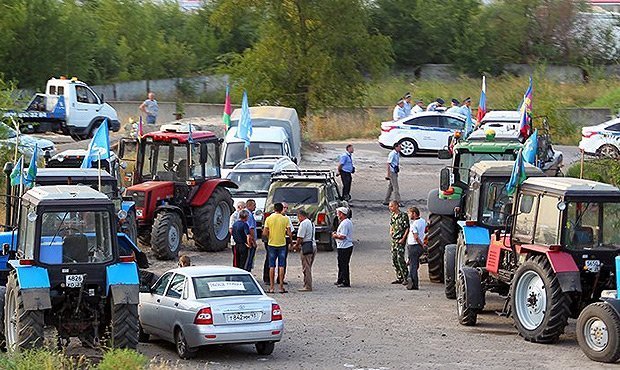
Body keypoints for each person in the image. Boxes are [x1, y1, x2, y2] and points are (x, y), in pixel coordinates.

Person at [263, 202, 292, 293]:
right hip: (282, 244)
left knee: (271, 266)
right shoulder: (285, 219)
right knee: (281, 265)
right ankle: (281, 287)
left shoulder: (269, 218)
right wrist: (290, 240)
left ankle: (271, 287)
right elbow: (289, 233)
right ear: (281, 209)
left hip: (271, 244)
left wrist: (269, 237)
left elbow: (264, 232)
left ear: (274, 209)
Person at [294, 209, 316, 292]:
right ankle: (307, 283)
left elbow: (300, 237)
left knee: (306, 267)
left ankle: (308, 286)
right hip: (313, 245)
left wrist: (296, 245)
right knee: (309, 266)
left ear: (300, 216)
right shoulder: (311, 223)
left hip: (306, 246)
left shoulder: (303, 224)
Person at [406, 207, 426, 290]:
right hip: (418, 248)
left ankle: (414, 284)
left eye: (409, 213)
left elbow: (416, 237)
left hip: (413, 246)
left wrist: (421, 244)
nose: (409, 215)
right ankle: (409, 278)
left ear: (414, 214)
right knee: (415, 263)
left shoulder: (414, 224)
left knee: (413, 266)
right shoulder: (423, 221)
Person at [389, 201, 409, 285]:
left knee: (400, 259)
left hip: (400, 240)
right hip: (394, 240)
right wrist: (391, 231)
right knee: (394, 259)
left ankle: (406, 277)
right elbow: (391, 224)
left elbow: (407, 228)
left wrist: (403, 239)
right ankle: (399, 277)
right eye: (390, 206)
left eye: (392, 206)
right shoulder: (393, 215)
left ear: (397, 206)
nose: (390, 208)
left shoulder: (403, 216)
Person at [333, 207, 353, 287]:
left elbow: (343, 236)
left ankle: (345, 281)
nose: (337, 215)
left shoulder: (345, 223)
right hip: (343, 246)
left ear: (342, 214)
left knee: (344, 264)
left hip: (344, 246)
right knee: (341, 264)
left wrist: (335, 236)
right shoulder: (346, 222)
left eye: (338, 213)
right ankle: (340, 279)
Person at [244, 199, 258, 272]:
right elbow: (251, 229)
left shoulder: (246, 213)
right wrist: (253, 242)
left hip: (246, 240)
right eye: (254, 205)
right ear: (249, 205)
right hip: (250, 241)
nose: (255, 207)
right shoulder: (249, 215)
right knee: (249, 259)